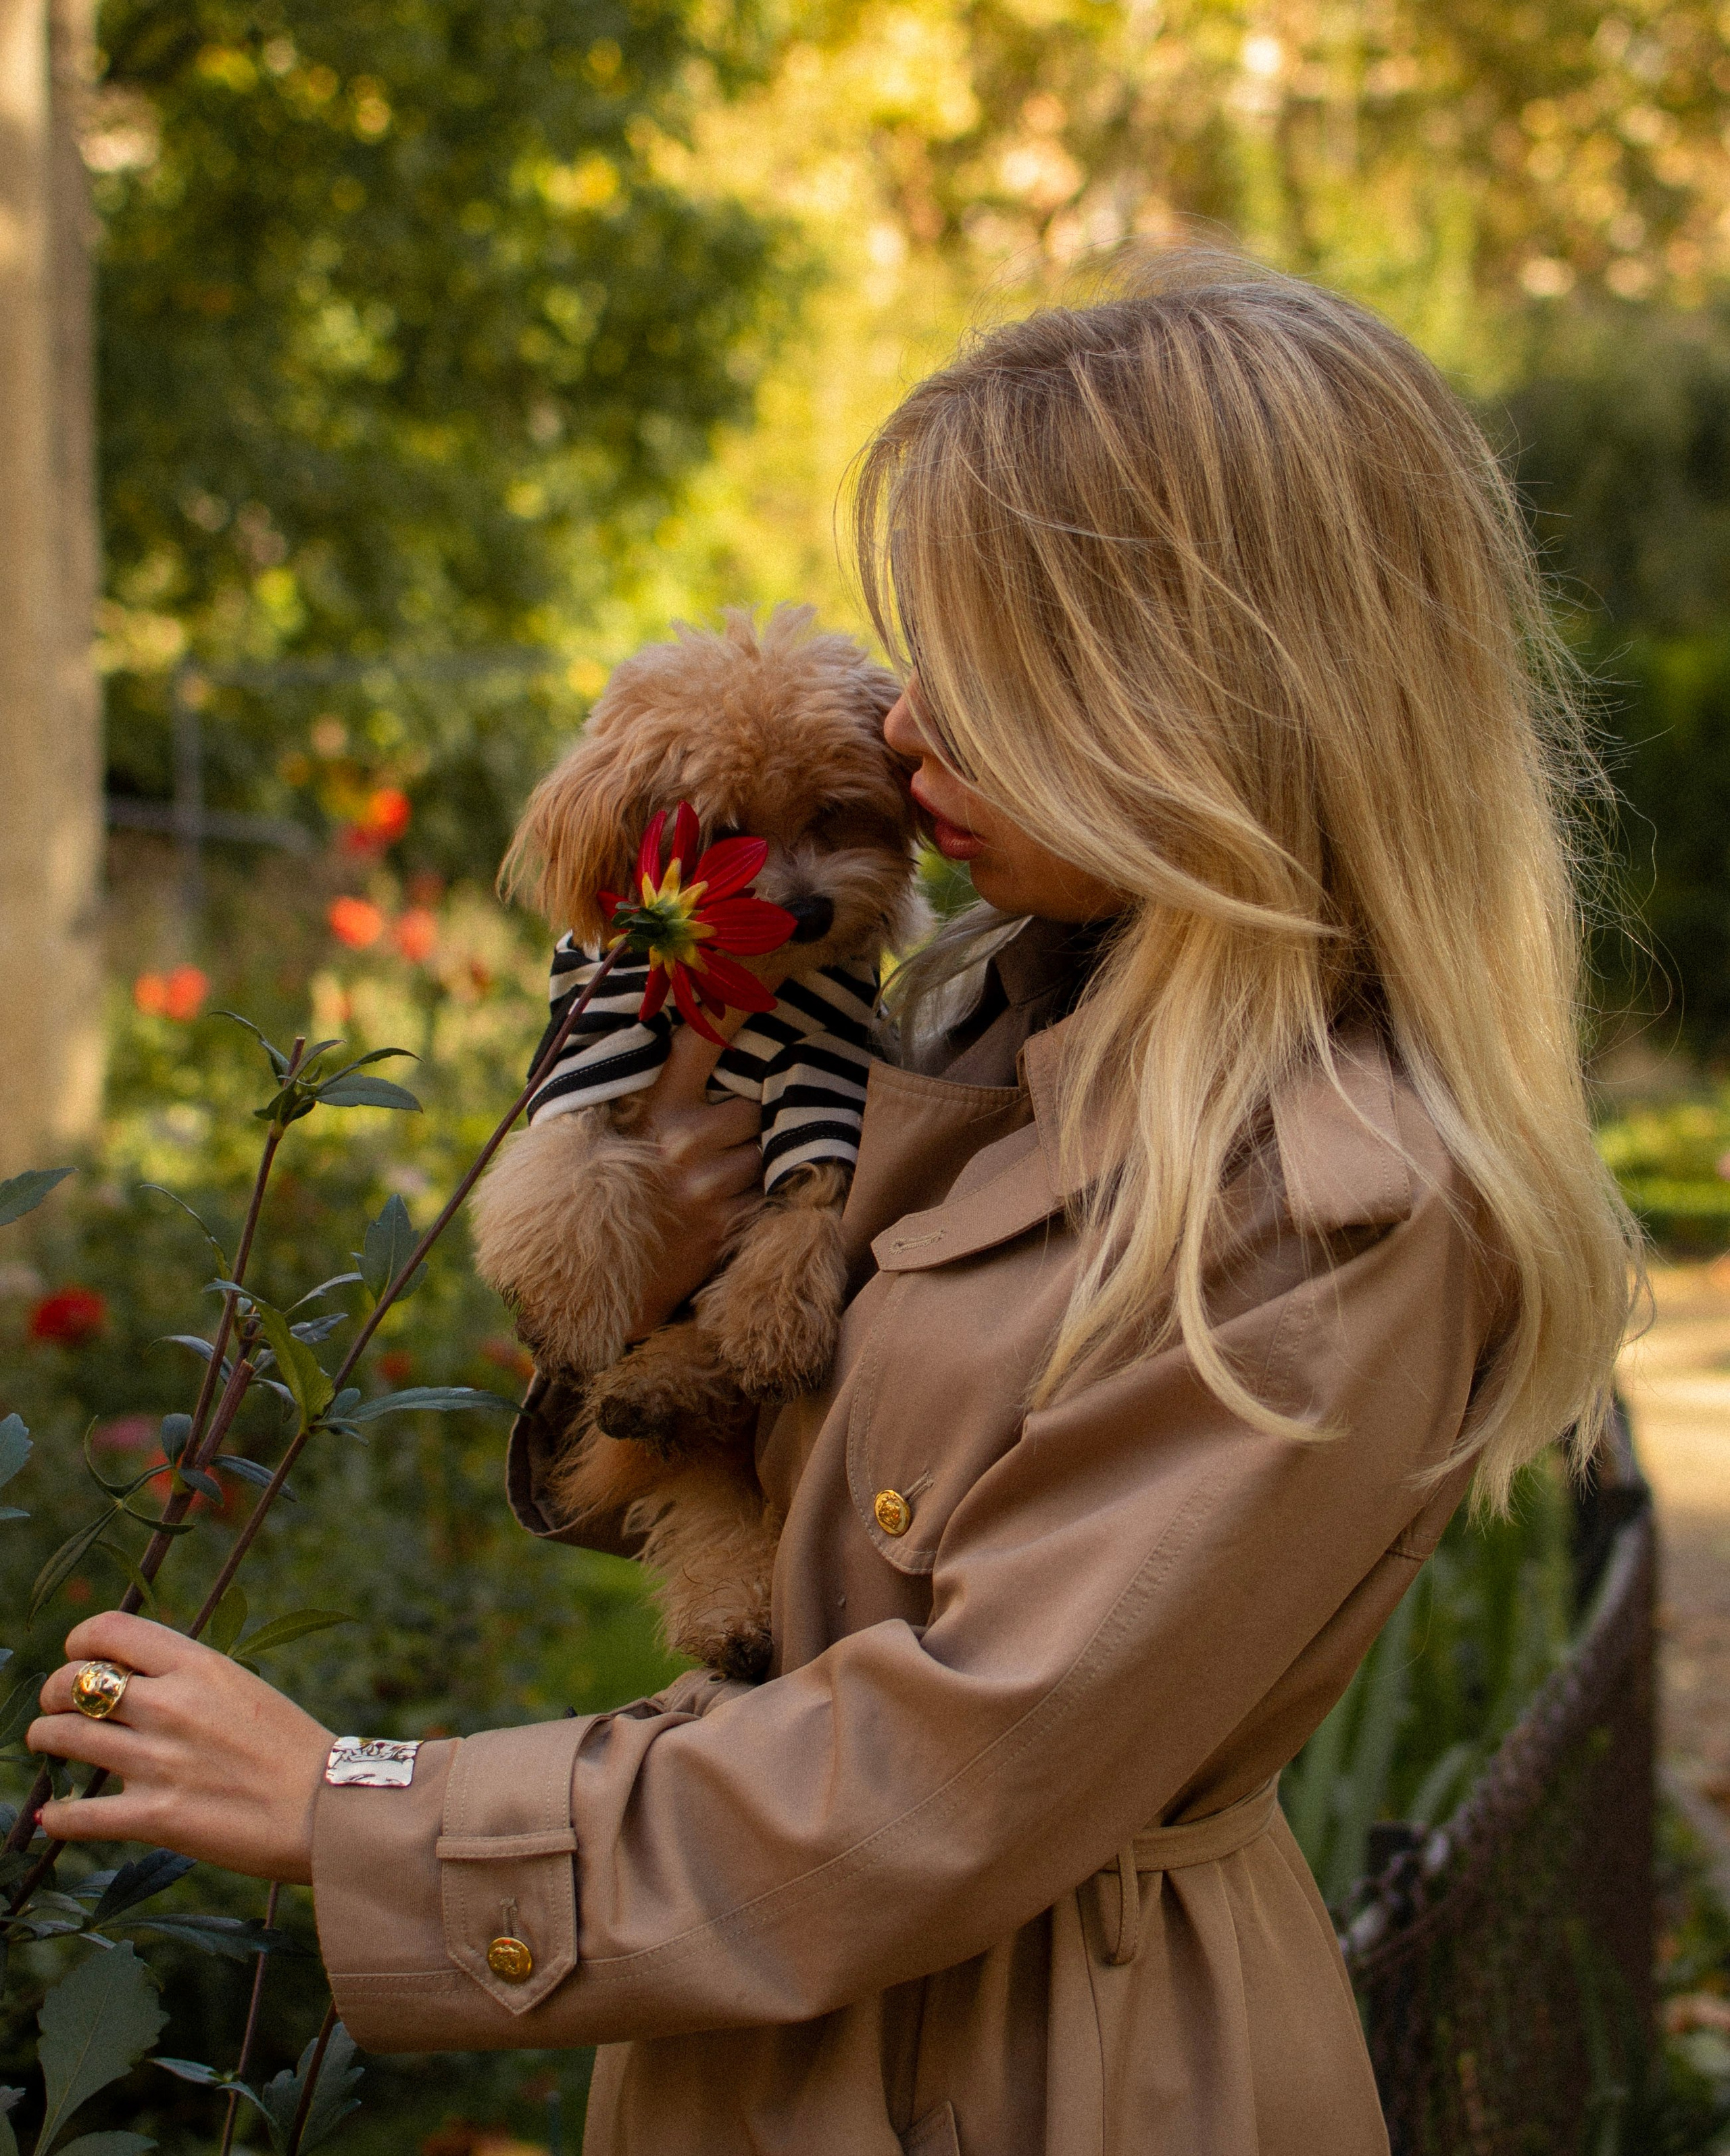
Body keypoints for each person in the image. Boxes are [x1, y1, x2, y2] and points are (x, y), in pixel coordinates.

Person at [29, 252, 1637, 2156]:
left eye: (994, 671)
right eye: (920, 651)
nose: (905, 729)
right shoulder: (979, 1009)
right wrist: (666, 1268)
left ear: (1209, 701)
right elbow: (713, 1484)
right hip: (756, 2010)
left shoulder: (1328, 1210)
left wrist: (355, 1797)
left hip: (1049, 2071)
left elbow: (950, 1778)